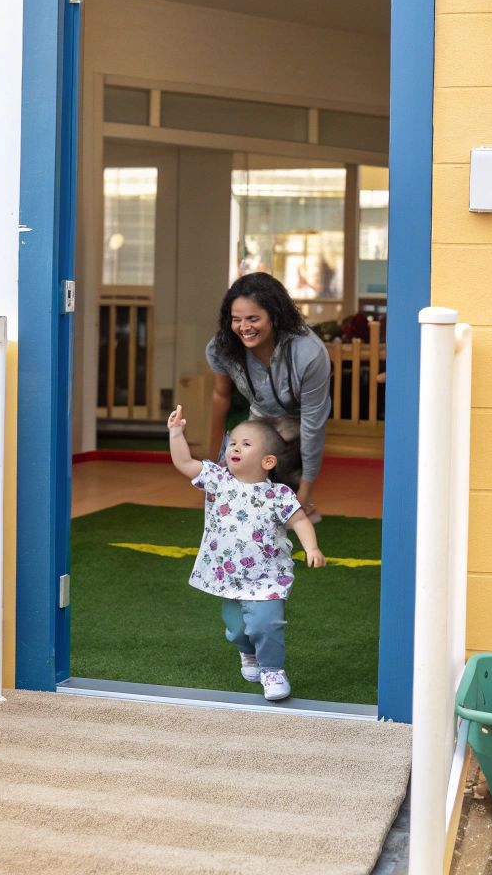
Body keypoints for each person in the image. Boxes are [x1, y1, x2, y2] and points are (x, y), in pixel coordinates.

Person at [166, 405, 325, 701]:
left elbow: (300, 519)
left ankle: (272, 670)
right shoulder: (218, 479)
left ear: (267, 461)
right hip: (230, 576)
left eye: (246, 444)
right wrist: (176, 433)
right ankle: (246, 651)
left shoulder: (278, 495)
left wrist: (311, 547)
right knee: (238, 629)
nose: (235, 447)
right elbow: (185, 462)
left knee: (267, 624)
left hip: (268, 576)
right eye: (233, 442)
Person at [203, 272, 333, 523]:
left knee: (279, 459)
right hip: (261, 412)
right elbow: (221, 396)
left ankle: (300, 503)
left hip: (299, 417)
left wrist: (306, 491)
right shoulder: (222, 346)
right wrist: (215, 461)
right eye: (237, 319)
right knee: (243, 456)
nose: (244, 327)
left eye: (253, 318)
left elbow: (312, 426)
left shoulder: (309, 353)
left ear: (274, 316)